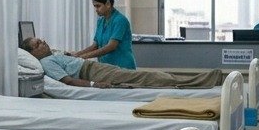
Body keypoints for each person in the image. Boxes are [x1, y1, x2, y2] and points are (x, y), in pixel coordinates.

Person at [21, 37, 223, 88]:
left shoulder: (52, 54)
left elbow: (73, 55)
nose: (43, 41)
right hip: (92, 73)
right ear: (33, 53)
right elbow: (69, 82)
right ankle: (201, 81)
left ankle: (200, 79)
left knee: (140, 76)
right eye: (38, 43)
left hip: (95, 67)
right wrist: (94, 84)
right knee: (143, 77)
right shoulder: (46, 64)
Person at [71, 0, 136, 68]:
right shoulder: (101, 21)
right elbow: (95, 45)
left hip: (122, 67)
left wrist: (82, 57)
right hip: (107, 67)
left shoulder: (120, 20)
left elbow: (111, 46)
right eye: (95, 6)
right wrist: (77, 54)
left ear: (108, 4)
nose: (96, 10)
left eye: (98, 6)